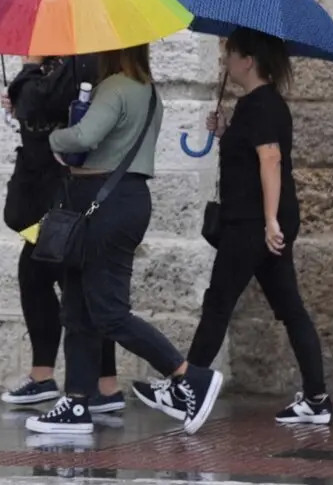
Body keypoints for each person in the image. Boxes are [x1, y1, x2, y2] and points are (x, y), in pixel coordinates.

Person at [132, 28, 332, 425]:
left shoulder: (259, 105)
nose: (226, 61)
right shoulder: (261, 105)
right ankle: (316, 398)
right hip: (260, 223)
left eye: (230, 54)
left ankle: (186, 387)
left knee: (218, 303)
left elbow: (270, 160)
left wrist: (270, 220)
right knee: (290, 310)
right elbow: (253, 154)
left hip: (251, 224)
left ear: (248, 61)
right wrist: (225, 132)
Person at [25, 45, 224, 436]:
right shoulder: (148, 90)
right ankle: (77, 401)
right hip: (117, 200)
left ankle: (188, 377)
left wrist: (52, 136)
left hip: (106, 202)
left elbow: (85, 135)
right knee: (78, 309)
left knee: (109, 312)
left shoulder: (116, 87)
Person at [0, 55, 125, 415]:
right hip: (46, 194)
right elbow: (34, 105)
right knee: (46, 278)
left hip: (63, 193)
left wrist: (26, 74)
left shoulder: (80, 63)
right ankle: (89, 383)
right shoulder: (58, 67)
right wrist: (20, 92)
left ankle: (96, 385)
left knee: (72, 283)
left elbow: (39, 102)